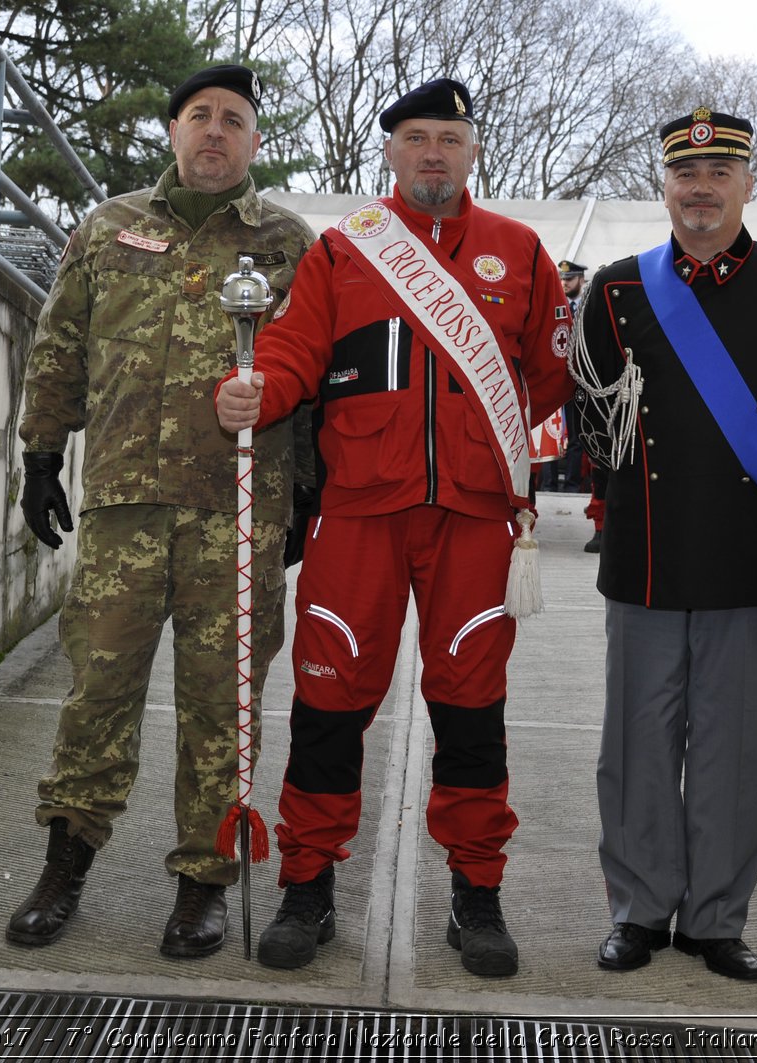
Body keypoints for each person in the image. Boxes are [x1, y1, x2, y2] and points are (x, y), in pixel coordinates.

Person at [215, 78, 576, 978]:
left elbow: (548, 376)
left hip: (476, 519)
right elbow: (296, 349)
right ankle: (308, 884)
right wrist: (262, 387)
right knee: (330, 705)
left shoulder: (520, 251)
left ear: (473, 151)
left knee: (470, 712)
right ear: (391, 151)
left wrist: (476, 441)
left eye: (449, 138)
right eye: (416, 137)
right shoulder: (345, 250)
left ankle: (476, 892)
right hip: (361, 513)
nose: (432, 154)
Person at [7, 64, 316, 960]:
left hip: (239, 514)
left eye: (233, 120)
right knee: (98, 689)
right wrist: (38, 451)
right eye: (199, 117)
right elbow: (59, 343)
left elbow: (321, 376)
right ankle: (65, 863)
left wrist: (308, 501)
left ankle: (202, 885)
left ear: (255, 142)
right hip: (124, 510)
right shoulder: (109, 229)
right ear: (173, 133)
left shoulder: (290, 245)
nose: (215, 132)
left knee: (224, 704)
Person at [571, 108, 757, 980]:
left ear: (745, 182)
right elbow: (588, 413)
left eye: (718, 173)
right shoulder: (618, 291)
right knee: (636, 747)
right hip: (647, 554)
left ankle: (715, 920)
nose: (700, 190)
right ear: (663, 186)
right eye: (684, 175)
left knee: (733, 748)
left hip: (746, 559)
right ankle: (638, 910)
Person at [556, 260, 590, 493]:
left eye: (569, 279)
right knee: (551, 433)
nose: (564, 283)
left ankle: (571, 485)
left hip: (580, 380)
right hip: (558, 378)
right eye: (563, 279)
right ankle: (548, 484)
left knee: (578, 435)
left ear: (581, 280)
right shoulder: (556, 305)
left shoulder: (588, 305)